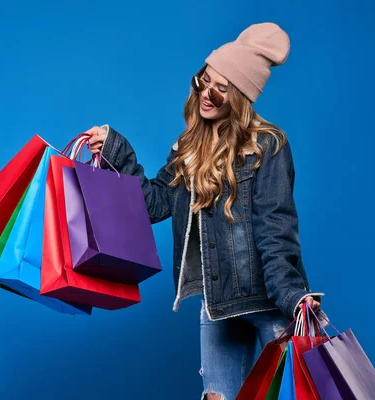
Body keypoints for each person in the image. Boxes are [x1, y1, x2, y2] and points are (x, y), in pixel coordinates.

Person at [85, 22, 324, 400]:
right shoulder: (188, 147)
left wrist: (293, 295)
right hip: (217, 304)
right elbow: (156, 203)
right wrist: (117, 152)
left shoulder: (267, 146)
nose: (207, 95)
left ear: (241, 96)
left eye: (221, 89)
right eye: (204, 81)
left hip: (268, 301)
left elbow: (275, 228)